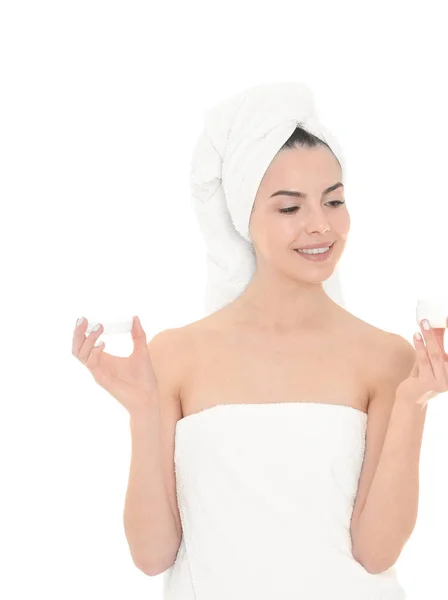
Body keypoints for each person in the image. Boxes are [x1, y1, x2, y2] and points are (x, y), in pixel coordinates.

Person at [72, 86, 413, 599]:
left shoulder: (386, 358)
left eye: (334, 200)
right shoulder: (175, 356)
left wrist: (416, 400)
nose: (320, 225)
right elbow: (152, 555)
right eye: (288, 208)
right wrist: (142, 410)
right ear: (243, 216)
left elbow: (376, 551)